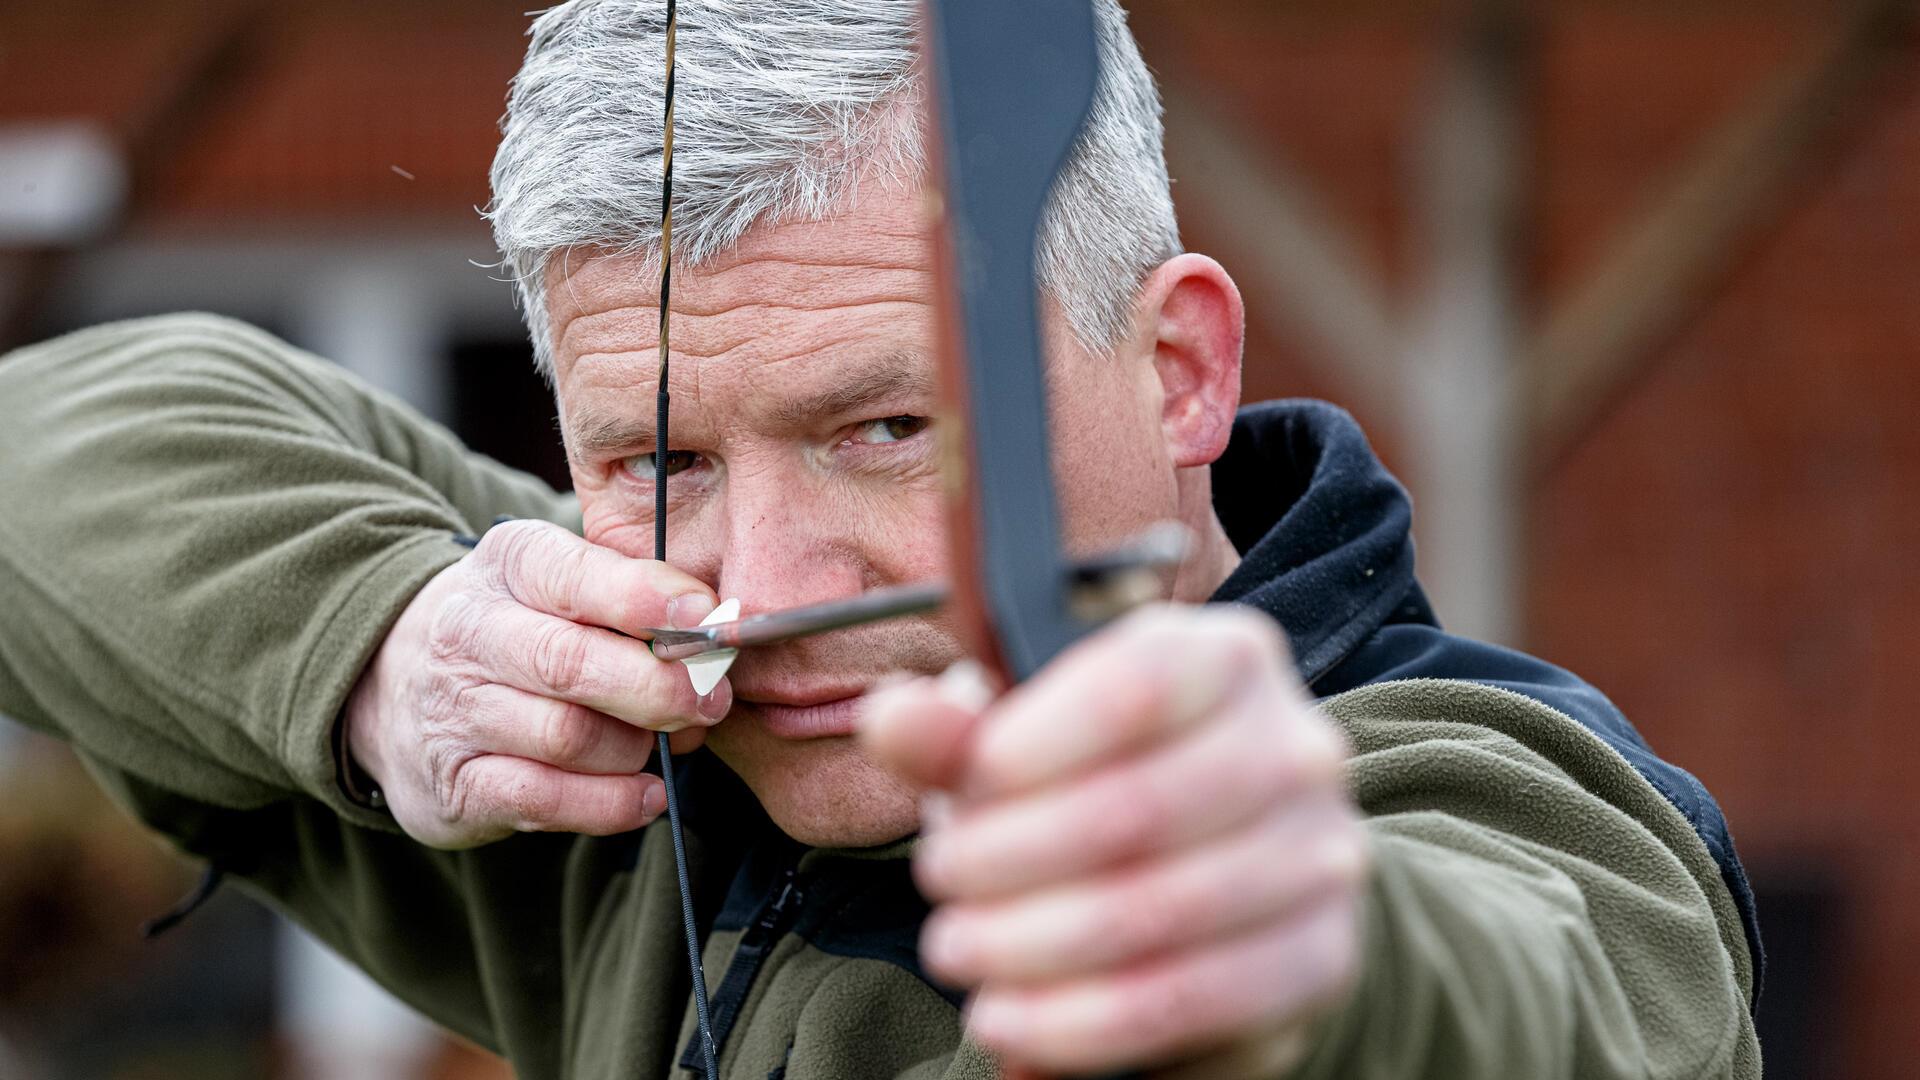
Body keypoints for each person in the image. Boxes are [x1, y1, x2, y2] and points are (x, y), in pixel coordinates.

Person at [0, 1, 1759, 1077]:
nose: (766, 586)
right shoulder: (641, 741)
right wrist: (387, 653)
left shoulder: (1497, 801)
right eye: (657, 454)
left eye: (885, 428)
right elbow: (42, 457)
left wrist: (1293, 961)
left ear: (1178, 374)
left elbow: (1550, 1003)